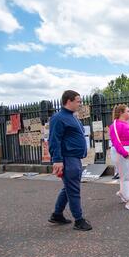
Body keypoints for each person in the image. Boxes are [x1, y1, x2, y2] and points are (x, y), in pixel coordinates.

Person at [48, 90, 92, 231]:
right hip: (67, 159)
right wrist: (57, 160)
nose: (80, 104)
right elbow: (54, 140)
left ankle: (57, 215)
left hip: (74, 158)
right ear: (69, 101)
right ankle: (79, 221)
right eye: (78, 101)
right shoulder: (58, 118)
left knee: (68, 187)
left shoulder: (72, 117)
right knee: (73, 189)